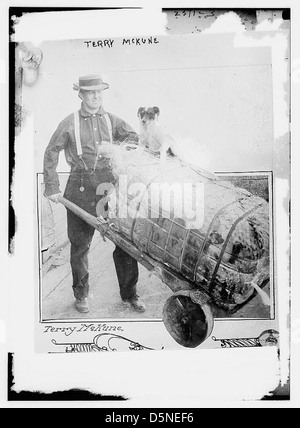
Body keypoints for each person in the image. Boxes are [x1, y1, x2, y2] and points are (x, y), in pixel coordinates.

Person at [43, 74, 146, 314]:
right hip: (79, 189)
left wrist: (121, 154)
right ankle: (81, 295)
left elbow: (133, 138)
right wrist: (52, 187)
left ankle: (130, 294)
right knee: (80, 246)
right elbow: (51, 151)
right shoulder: (70, 123)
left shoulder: (111, 121)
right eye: (90, 92)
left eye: (99, 92)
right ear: (81, 94)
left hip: (109, 189)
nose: (96, 96)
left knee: (125, 243)